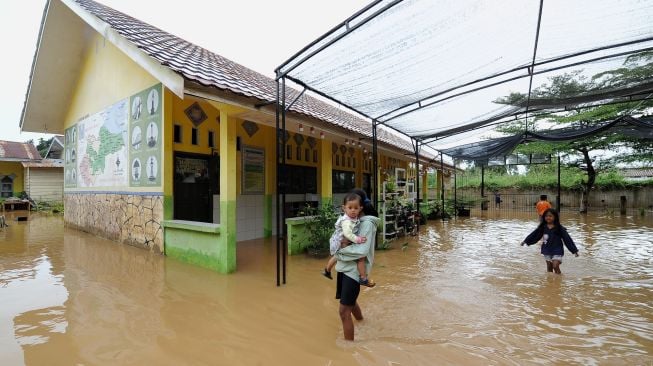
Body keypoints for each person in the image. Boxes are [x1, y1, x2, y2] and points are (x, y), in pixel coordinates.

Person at [334, 189, 380, 341]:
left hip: (353, 271)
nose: (351, 209)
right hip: (345, 267)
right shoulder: (351, 221)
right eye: (349, 206)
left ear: (360, 206)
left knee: (343, 311)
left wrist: (338, 253)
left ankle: (349, 349)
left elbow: (361, 251)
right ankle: (362, 321)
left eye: (354, 206)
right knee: (350, 303)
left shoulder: (366, 223)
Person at [322, 193, 375, 287]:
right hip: (341, 241)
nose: (353, 210)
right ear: (344, 208)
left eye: (356, 208)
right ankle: (363, 278)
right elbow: (347, 234)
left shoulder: (353, 218)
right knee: (360, 258)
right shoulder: (347, 221)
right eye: (350, 208)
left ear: (360, 208)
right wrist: (357, 239)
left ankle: (327, 270)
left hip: (340, 242)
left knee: (336, 256)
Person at [521, 208, 579, 274]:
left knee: (555, 265)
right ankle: (550, 282)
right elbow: (534, 234)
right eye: (546, 216)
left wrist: (574, 250)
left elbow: (567, 239)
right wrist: (526, 241)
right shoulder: (543, 227)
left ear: (555, 217)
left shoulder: (559, 228)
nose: (548, 217)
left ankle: (559, 279)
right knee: (549, 267)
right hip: (547, 249)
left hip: (557, 250)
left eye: (550, 216)